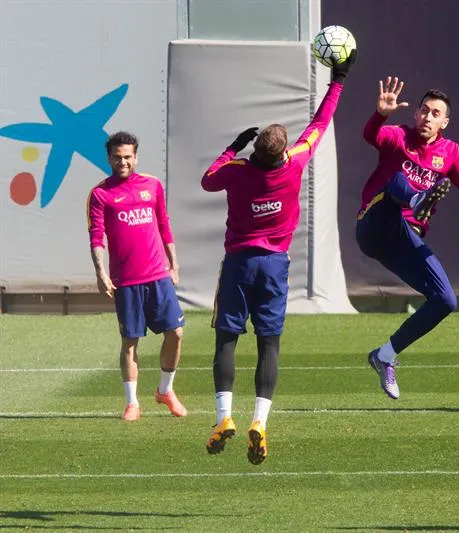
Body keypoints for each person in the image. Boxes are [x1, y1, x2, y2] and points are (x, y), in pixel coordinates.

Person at [200, 52, 355, 465]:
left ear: (255, 152)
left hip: (237, 264)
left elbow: (207, 180)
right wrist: (338, 78)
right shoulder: (295, 163)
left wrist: (233, 146)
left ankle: (223, 418)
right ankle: (259, 422)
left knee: (226, 339)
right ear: (283, 153)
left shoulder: (236, 171)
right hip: (274, 267)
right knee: (270, 344)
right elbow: (320, 124)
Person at [357, 77, 459, 400]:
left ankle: (384, 355)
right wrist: (380, 114)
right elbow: (371, 135)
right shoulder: (399, 136)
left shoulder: (450, 153)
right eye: (423, 110)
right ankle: (416, 200)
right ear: (415, 114)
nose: (427, 117)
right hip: (373, 222)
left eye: (435, 113)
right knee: (398, 179)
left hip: (403, 238)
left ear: (445, 122)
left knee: (445, 300)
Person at [87, 131, 187, 422]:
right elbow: (96, 237)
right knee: (130, 341)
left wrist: (174, 264)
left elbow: (164, 225)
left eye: (127, 157)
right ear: (109, 158)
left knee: (177, 333)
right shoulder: (100, 194)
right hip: (126, 282)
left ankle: (165, 391)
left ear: (136, 156)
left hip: (158, 276)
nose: (123, 162)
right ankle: (132, 403)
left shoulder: (152, 185)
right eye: (117, 157)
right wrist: (100, 272)